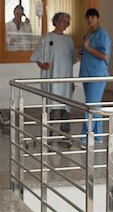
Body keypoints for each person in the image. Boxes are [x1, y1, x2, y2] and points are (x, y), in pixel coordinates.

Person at [31, 12, 77, 140]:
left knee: (65, 106)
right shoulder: (47, 39)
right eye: (63, 21)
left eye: (68, 23)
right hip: (51, 78)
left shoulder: (69, 40)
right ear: (56, 21)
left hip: (66, 78)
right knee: (52, 106)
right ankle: (49, 133)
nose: (66, 25)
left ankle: (65, 134)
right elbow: (38, 57)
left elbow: (72, 59)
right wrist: (42, 65)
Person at [78, 8, 111, 144]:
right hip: (88, 73)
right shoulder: (89, 34)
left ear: (98, 18)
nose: (90, 20)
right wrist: (81, 54)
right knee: (95, 106)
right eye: (88, 17)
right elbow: (88, 50)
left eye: (93, 17)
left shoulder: (102, 34)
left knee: (91, 106)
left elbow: (104, 55)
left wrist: (89, 49)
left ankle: (86, 138)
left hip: (97, 74)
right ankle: (97, 136)